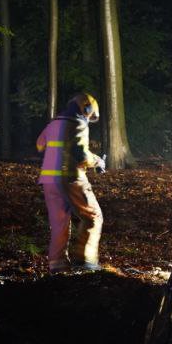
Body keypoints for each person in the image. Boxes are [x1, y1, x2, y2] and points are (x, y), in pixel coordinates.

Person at [36, 93, 106, 273]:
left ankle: (57, 265)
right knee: (93, 216)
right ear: (87, 109)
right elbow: (81, 155)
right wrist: (97, 161)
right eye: (91, 115)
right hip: (70, 177)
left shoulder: (53, 123)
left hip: (49, 180)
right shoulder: (78, 123)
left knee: (59, 223)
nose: (89, 119)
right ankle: (85, 261)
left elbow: (39, 144)